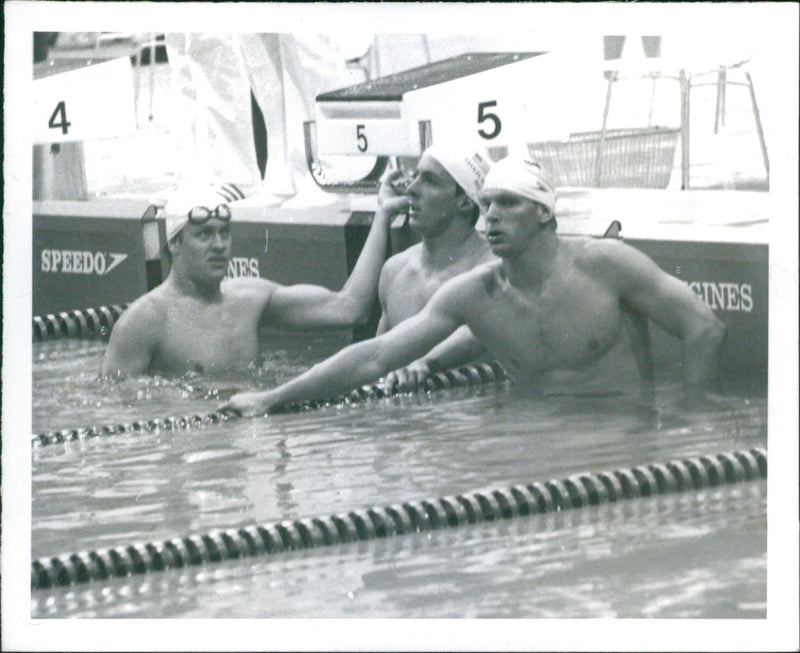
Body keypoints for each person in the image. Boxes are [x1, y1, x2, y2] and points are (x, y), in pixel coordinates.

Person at [223, 156, 726, 415]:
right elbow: (375, 356)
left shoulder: (606, 264)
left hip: (623, 443)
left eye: (508, 204)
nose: (491, 218)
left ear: (544, 212)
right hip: (531, 450)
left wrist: (692, 417)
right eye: (486, 205)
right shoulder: (476, 293)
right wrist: (272, 399)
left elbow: (704, 326)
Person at [101, 179, 404, 377]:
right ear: (175, 243)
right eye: (204, 234)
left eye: (224, 232)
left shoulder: (249, 300)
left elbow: (349, 307)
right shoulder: (143, 321)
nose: (219, 245)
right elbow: (119, 411)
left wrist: (383, 213)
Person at [377, 144, 496, 391]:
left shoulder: (493, 268)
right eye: (414, 176)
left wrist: (427, 363)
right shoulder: (395, 271)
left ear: (464, 201)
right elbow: (376, 363)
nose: (411, 189)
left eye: (429, 181)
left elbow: (478, 334)